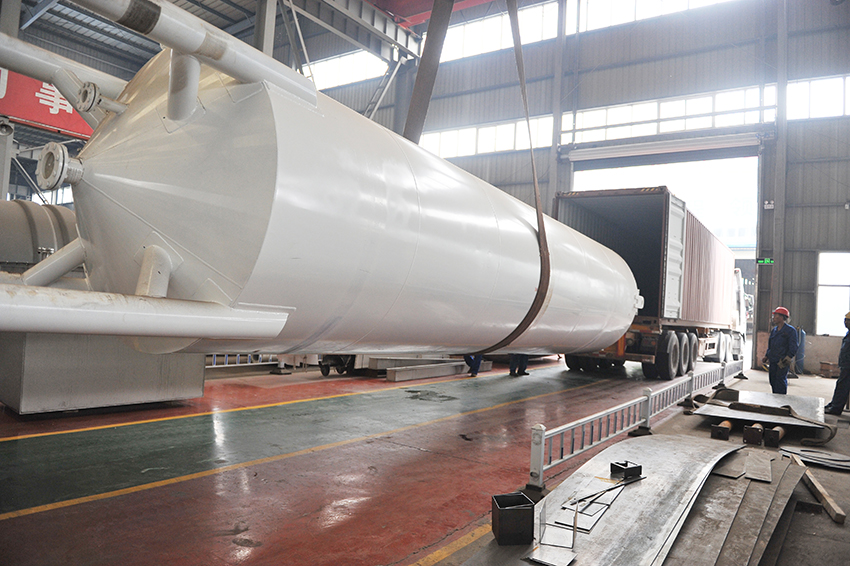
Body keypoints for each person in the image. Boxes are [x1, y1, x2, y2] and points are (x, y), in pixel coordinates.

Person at [761, 306, 798, 395]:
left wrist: (789, 357)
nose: (773, 318)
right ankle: (775, 397)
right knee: (772, 380)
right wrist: (767, 356)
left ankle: (781, 399)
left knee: (780, 380)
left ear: (781, 317)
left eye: (775, 316)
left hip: (782, 360)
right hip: (773, 359)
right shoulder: (774, 330)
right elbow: (771, 345)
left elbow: (794, 345)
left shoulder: (790, 331)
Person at [824, 312, 850, 416]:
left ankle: (836, 408)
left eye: (848, 320)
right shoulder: (848, 333)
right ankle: (834, 404)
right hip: (845, 365)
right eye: (845, 320)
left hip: (848, 366)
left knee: (843, 387)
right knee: (841, 385)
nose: (845, 322)